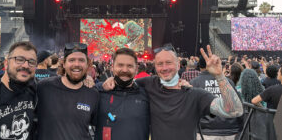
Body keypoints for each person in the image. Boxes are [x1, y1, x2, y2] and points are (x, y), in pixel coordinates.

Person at [103, 44, 243, 140]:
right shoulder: (149, 84)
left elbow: (234, 111)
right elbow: (124, 82)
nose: (164, 68)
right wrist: (108, 81)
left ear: (177, 64)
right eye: (160, 64)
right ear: (155, 67)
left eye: (168, 63)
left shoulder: (194, 94)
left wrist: (219, 76)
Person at [36, 42, 99, 140]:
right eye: (72, 60)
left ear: (87, 65)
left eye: (81, 60)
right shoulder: (43, 87)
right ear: (64, 64)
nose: (76, 64)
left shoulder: (93, 94)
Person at [95, 48, 149, 140]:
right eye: (120, 65)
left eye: (129, 66)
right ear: (112, 67)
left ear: (136, 69)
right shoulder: (98, 91)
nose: (124, 70)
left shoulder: (147, 95)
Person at [191, 57, 243, 140]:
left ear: (200, 67)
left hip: (205, 131)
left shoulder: (194, 82)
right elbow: (238, 105)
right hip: (229, 130)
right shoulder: (228, 82)